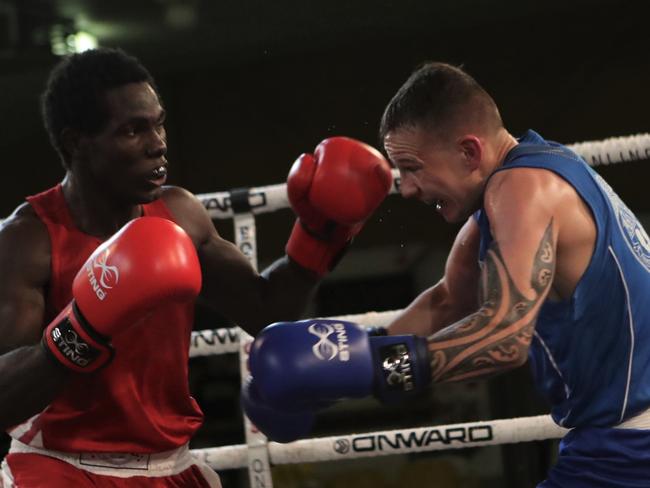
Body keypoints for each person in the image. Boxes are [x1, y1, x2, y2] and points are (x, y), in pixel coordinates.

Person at [242, 62, 650, 486]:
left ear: (469, 152)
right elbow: (448, 300)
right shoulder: (524, 179)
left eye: (413, 167)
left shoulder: (522, 190)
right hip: (614, 442)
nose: (407, 188)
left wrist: (375, 369)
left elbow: (506, 337)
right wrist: (337, 363)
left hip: (632, 447)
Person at [0, 47, 393, 487]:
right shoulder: (27, 241)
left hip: (172, 468)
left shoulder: (180, 214)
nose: (158, 144)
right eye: (133, 130)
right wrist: (81, 330)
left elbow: (265, 312)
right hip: (61, 470)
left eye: (159, 123)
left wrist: (320, 236)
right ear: (77, 143)